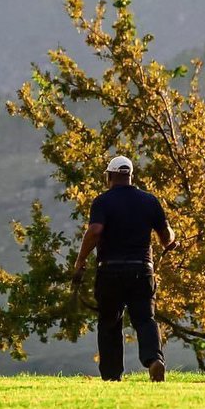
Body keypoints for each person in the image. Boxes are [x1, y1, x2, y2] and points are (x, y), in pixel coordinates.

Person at [72, 155, 176, 382]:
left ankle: (111, 376)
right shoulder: (150, 201)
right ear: (130, 176)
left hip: (110, 271)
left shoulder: (102, 201)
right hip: (142, 269)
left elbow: (95, 231)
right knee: (145, 319)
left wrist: (80, 261)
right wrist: (172, 237)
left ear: (109, 176)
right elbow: (166, 238)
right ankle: (154, 360)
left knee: (109, 322)